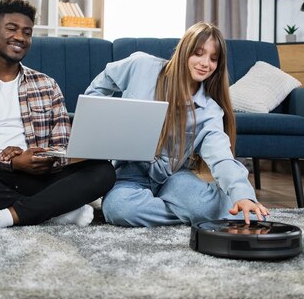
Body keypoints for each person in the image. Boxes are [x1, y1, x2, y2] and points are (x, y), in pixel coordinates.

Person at [0, 0, 116, 234]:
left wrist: (46, 158)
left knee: (103, 170)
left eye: (27, 32)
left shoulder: (48, 85)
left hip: (40, 177)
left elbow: (62, 146)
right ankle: (52, 212)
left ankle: (1, 216)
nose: (20, 37)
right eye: (12, 29)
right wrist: (12, 162)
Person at [85, 22, 269, 227]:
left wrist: (242, 194)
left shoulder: (209, 110)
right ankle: (193, 213)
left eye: (213, 58)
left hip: (174, 179)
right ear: (184, 50)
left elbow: (221, 158)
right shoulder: (142, 65)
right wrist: (98, 119)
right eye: (198, 53)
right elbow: (103, 82)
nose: (205, 63)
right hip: (129, 175)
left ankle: (203, 209)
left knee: (208, 207)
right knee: (118, 210)